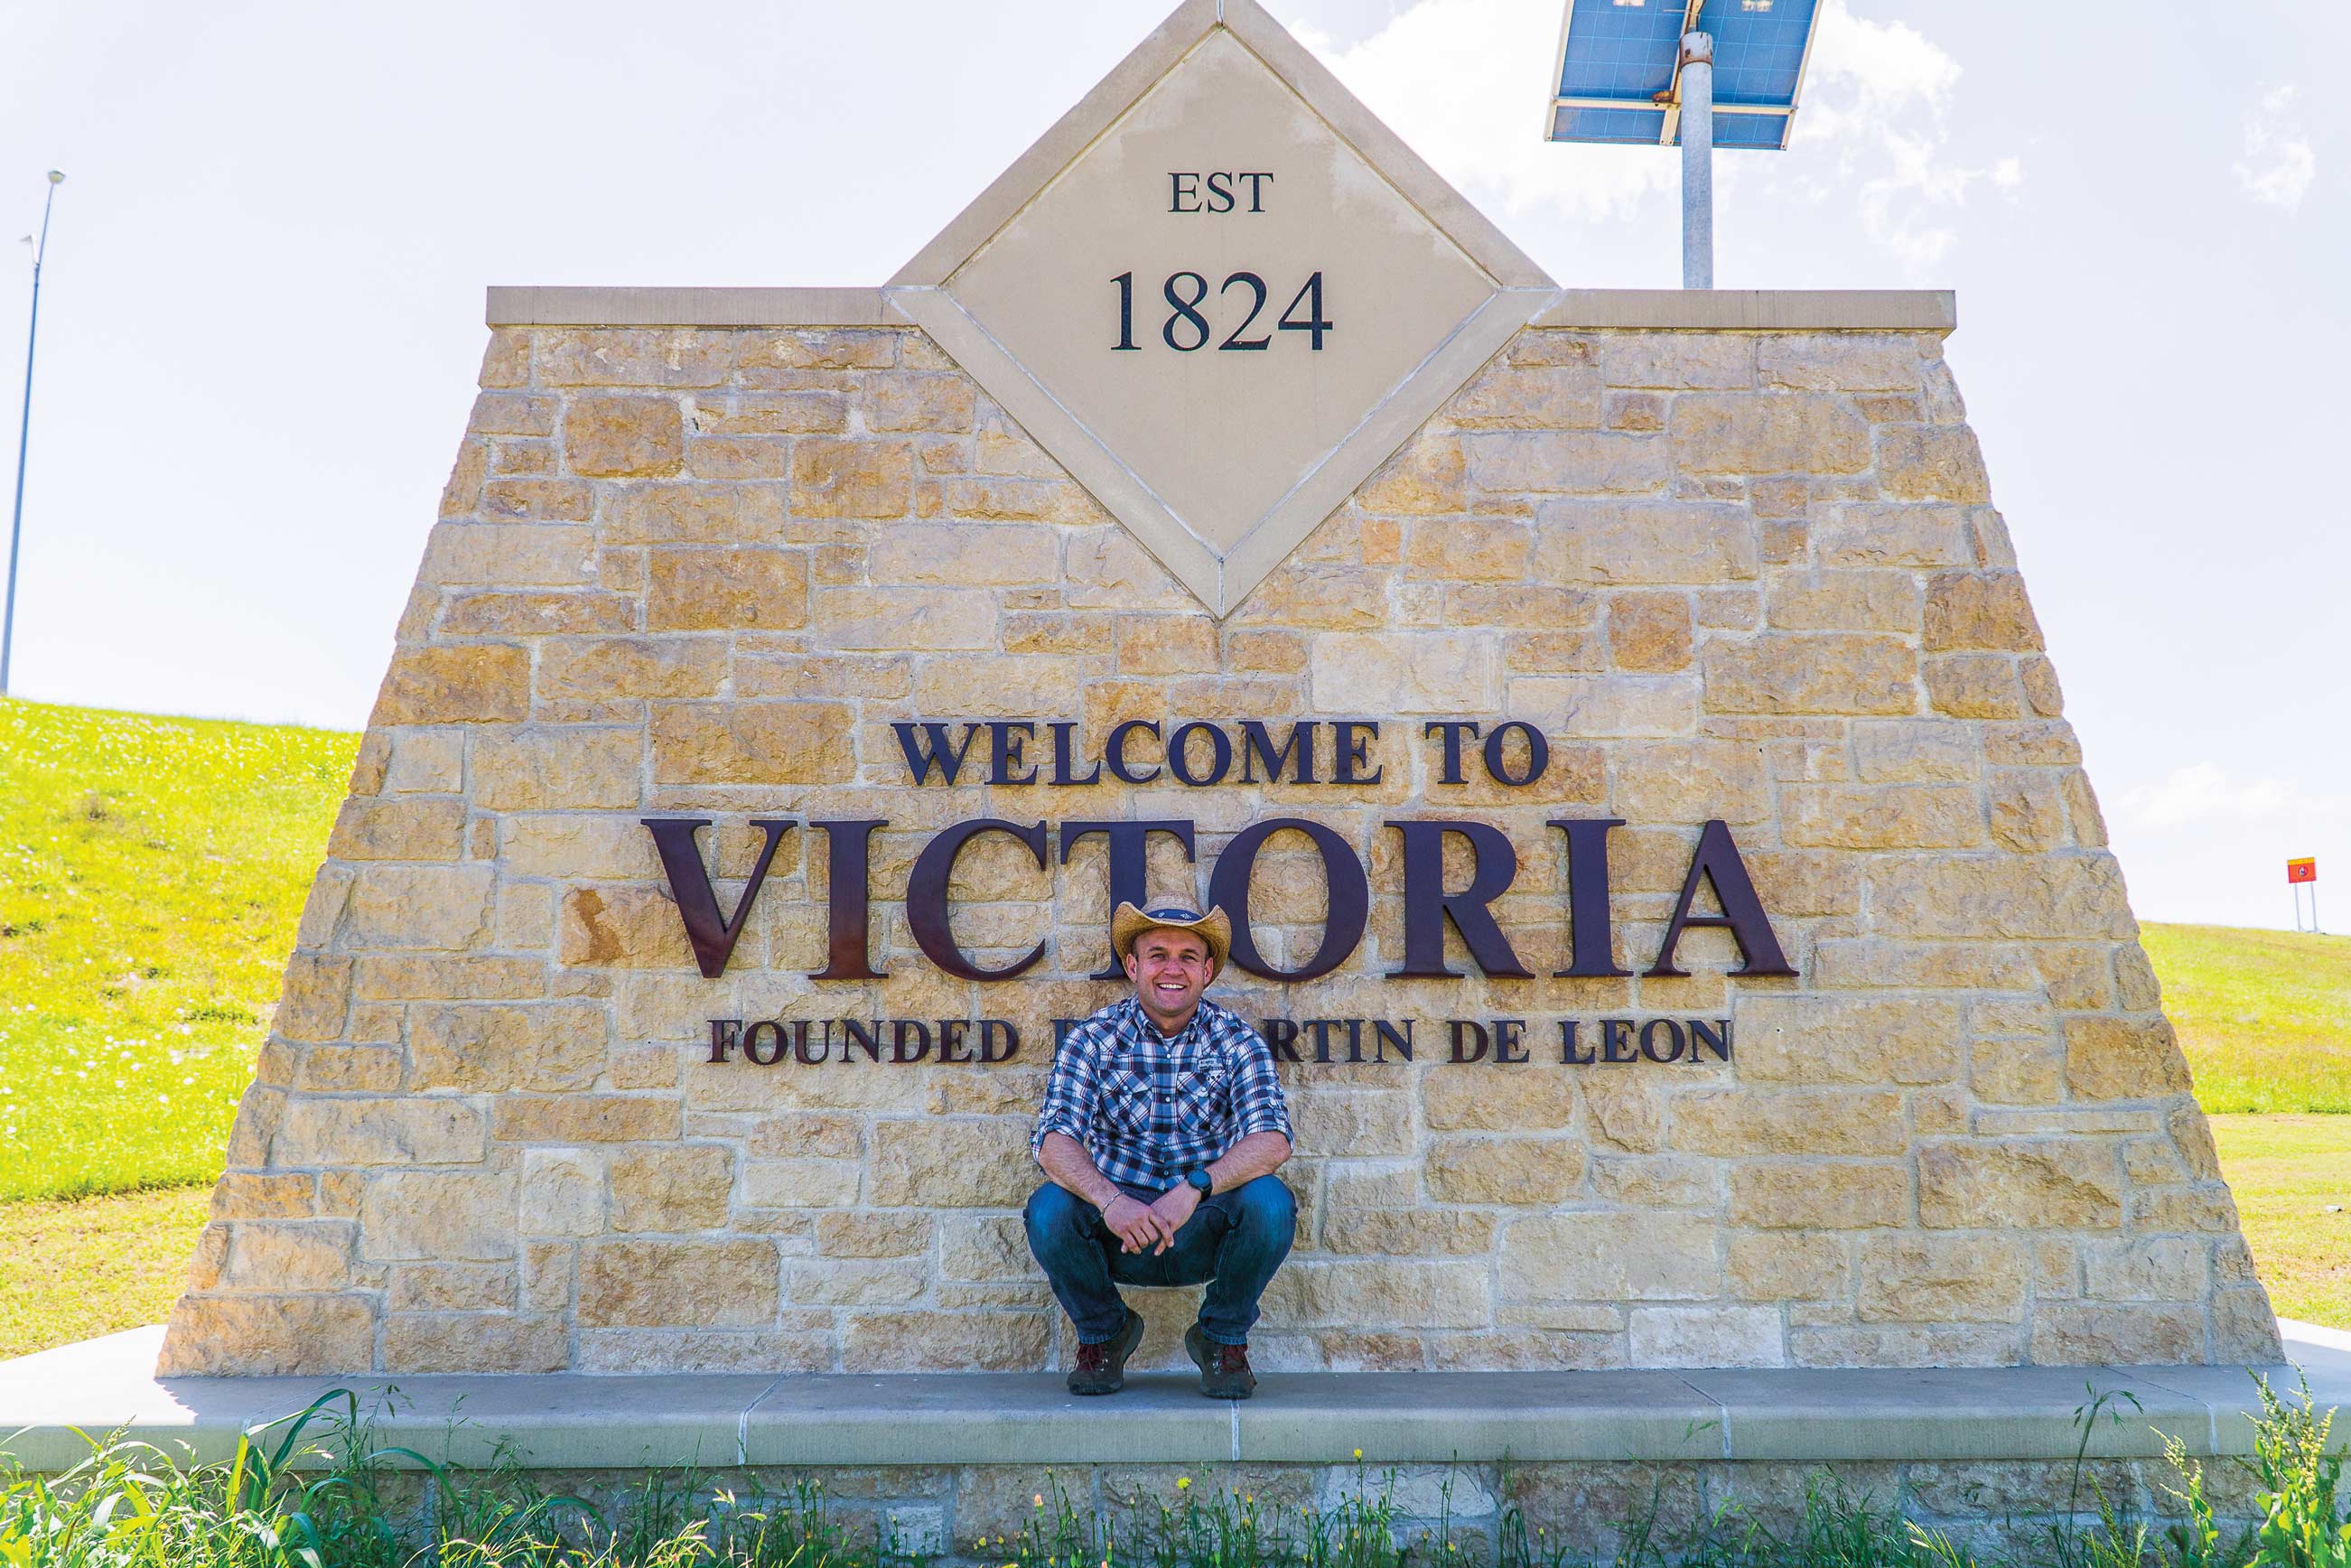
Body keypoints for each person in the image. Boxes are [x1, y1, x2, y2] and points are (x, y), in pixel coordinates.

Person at [1025, 901, 1296, 1399]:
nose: (1173, 968)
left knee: (1271, 1203)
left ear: (1207, 971)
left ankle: (1220, 1341)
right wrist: (1111, 1201)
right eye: (1158, 954)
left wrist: (1194, 1188)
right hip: (1116, 1229)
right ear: (1132, 966)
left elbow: (1272, 1140)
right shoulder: (1093, 1040)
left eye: (1189, 956)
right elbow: (1053, 1141)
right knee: (1048, 1209)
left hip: (1201, 1224)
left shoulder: (1238, 1042)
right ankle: (1105, 1336)